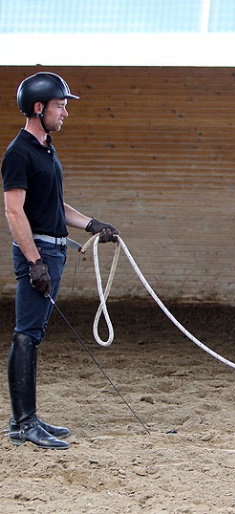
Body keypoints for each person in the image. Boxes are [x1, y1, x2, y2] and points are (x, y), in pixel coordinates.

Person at [2, 72, 120, 450]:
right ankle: (23, 423)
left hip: (54, 251)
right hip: (39, 252)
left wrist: (92, 225)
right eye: (60, 105)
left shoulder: (46, 150)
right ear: (39, 108)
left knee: (32, 336)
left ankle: (27, 418)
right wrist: (35, 262)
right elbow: (14, 212)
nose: (65, 112)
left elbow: (55, 205)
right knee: (27, 334)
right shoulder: (19, 153)